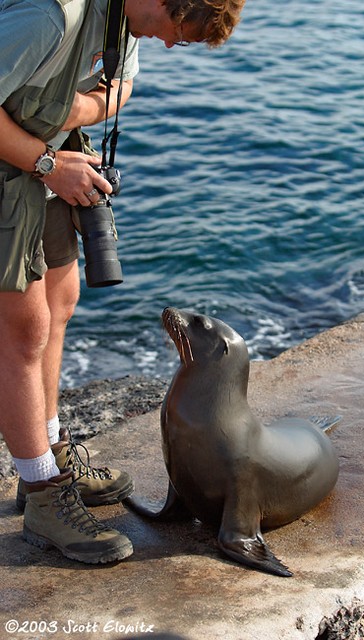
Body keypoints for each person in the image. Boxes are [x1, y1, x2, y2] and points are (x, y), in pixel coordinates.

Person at [0, 0, 245, 564]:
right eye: (176, 31)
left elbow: (122, 86)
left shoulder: (121, 18)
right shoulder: (50, 16)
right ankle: (41, 493)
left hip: (45, 164)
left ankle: (52, 455)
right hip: (29, 168)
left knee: (60, 301)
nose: (167, 45)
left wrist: (65, 115)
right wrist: (45, 162)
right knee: (22, 331)